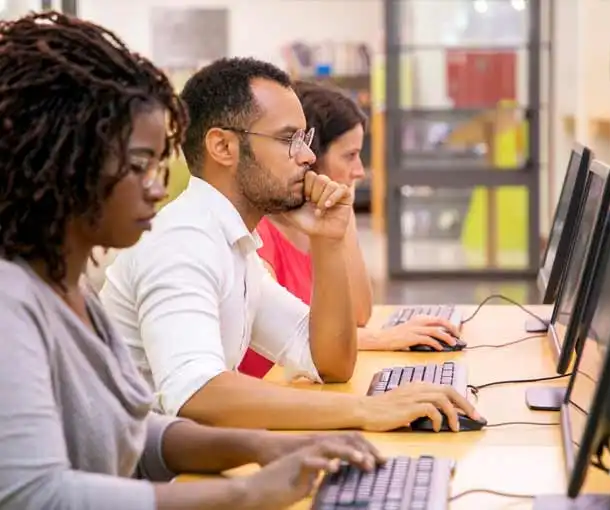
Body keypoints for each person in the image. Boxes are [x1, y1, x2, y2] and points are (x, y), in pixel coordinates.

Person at [0, 12, 384, 510]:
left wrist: (267, 446)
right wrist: (247, 489)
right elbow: (37, 495)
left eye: (158, 165)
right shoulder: (14, 304)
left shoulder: (72, 295)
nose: (157, 187)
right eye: (139, 166)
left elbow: (135, 435)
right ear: (65, 166)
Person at [100, 56, 483, 431]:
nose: (308, 156)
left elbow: (330, 361)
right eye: (288, 139)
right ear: (223, 147)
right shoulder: (183, 241)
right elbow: (196, 395)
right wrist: (366, 410)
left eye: (304, 139)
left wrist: (328, 241)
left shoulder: (235, 244)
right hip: (147, 483)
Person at [239, 80, 461, 378]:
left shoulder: (313, 232)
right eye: (349, 156)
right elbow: (294, 341)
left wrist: (346, 217)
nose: (359, 170)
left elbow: (359, 314)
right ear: (312, 160)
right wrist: (384, 339)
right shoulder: (260, 237)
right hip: (274, 395)